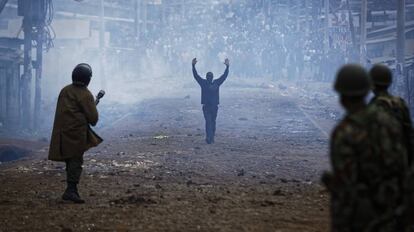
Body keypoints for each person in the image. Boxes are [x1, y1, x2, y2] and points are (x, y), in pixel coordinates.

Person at [321, 64, 408, 231]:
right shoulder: (390, 122)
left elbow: (347, 187)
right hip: (393, 210)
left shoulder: (345, 131)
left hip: (364, 216)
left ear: (342, 96)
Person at [48, 63, 103, 204]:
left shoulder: (65, 90)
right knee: (75, 161)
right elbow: (93, 119)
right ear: (87, 79)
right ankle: (71, 191)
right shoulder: (86, 95)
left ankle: (70, 189)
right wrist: (93, 103)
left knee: (70, 161)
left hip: (62, 132)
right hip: (76, 135)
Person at [369, 64, 413, 165]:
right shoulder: (400, 103)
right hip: (401, 162)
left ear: (372, 85)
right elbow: (409, 135)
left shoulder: (371, 108)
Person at [192, 57, 229, 144]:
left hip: (210, 106)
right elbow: (224, 76)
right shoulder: (215, 83)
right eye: (209, 76)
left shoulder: (205, 83)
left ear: (210, 77)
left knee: (210, 122)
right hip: (210, 107)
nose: (209, 77)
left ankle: (210, 138)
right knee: (210, 122)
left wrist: (193, 66)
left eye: (210, 76)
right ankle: (210, 138)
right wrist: (227, 67)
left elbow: (196, 76)